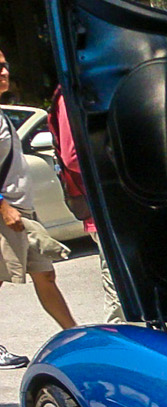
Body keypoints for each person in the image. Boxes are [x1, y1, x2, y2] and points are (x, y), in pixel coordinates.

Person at [0, 52, 75, 367]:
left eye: (5, 64)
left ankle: (74, 336)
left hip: (21, 212)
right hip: (6, 213)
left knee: (46, 275)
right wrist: (2, 205)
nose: (4, 70)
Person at [46, 86, 120, 323]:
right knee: (124, 295)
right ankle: (121, 356)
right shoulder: (74, 92)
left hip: (131, 206)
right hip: (109, 207)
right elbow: (73, 156)